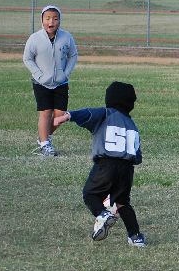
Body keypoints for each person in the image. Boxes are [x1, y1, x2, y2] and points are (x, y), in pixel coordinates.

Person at [53, 82, 145, 247]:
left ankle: (103, 214)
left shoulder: (105, 113)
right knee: (123, 203)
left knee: (90, 194)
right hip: (127, 169)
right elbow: (137, 156)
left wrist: (67, 116)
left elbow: (87, 113)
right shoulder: (132, 125)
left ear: (110, 98)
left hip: (106, 164)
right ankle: (135, 237)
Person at [23, 5, 78, 156]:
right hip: (41, 83)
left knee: (60, 116)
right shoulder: (34, 38)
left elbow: (73, 55)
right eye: (47, 18)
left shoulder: (66, 37)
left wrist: (66, 74)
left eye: (55, 18)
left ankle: (44, 137)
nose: (51, 22)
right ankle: (45, 144)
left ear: (59, 20)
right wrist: (38, 75)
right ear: (42, 20)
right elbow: (27, 58)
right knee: (46, 112)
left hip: (61, 82)